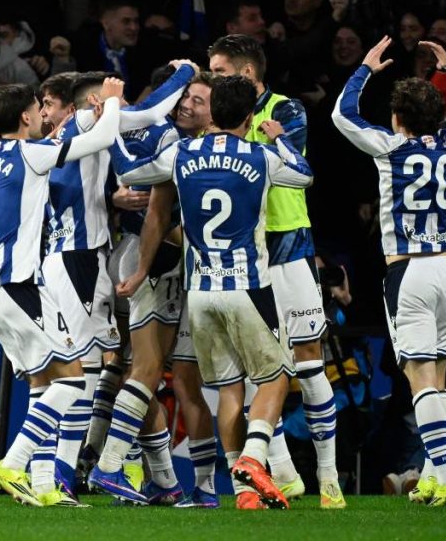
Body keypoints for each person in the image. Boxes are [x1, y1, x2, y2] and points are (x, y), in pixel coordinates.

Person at [111, 75, 313, 510]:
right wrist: (279, 138)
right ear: (249, 117)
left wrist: (111, 122)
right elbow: (304, 175)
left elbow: (129, 171)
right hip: (247, 286)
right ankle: (254, 458)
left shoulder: (181, 152)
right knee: (276, 378)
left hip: (200, 292)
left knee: (229, 390)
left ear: (213, 112)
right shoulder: (261, 156)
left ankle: (244, 493)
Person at [208, 34, 346, 508]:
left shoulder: (286, 111)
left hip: (289, 246)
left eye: (220, 71)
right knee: (260, 368)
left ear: (247, 73)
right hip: (247, 256)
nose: (212, 79)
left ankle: (329, 478)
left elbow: (292, 167)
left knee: (308, 361)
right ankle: (285, 473)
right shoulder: (218, 118)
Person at [0, 76, 126, 507]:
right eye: (36, 108)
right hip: (20, 286)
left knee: (43, 384)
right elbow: (101, 137)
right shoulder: (31, 152)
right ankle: (13, 463)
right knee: (73, 378)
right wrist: (112, 102)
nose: (42, 114)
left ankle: (43, 485)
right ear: (25, 117)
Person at [332, 37, 446, 507]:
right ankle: (431, 475)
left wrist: (364, 69)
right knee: (437, 379)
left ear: (397, 117)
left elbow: (343, 115)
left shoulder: (390, 147)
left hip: (409, 273)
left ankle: (445, 475)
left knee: (419, 377)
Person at [105, 68, 220, 508]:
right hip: (167, 268)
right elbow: (146, 205)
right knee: (146, 370)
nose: (186, 104)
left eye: (197, 100)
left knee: (180, 380)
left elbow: (160, 213)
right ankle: (135, 470)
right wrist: (115, 199)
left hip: (194, 277)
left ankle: (199, 486)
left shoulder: (195, 150)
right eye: (185, 96)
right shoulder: (168, 140)